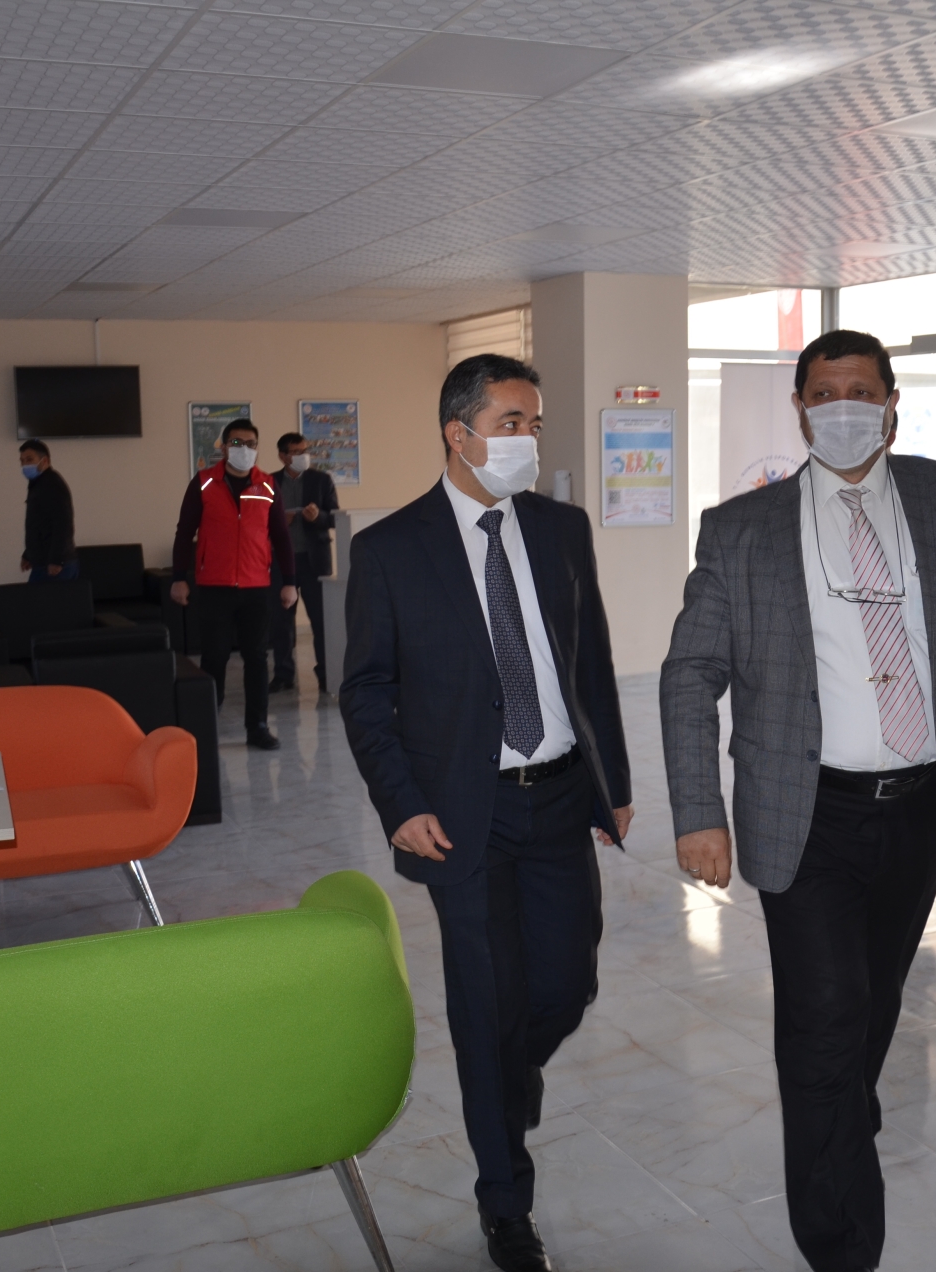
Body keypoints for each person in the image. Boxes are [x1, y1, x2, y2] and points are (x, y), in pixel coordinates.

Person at [660, 329, 936, 1272]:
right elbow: (691, 673)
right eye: (824, 393)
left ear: (893, 405)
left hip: (919, 807)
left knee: (873, 1002)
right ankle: (843, 1246)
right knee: (824, 1020)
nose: (843, 408)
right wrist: (698, 810)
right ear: (800, 409)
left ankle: (839, 1116)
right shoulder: (741, 528)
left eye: (861, 390)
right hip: (803, 810)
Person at [339, 354, 632, 1272]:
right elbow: (366, 692)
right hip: (463, 813)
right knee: (484, 1002)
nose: (527, 441)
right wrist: (400, 804)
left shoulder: (561, 528)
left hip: (560, 797)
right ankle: (505, 1202)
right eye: (511, 423)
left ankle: (507, 1081)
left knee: (565, 987)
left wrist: (614, 783)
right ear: (457, 434)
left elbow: (590, 663)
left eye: (533, 425)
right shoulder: (390, 549)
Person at [170, 418, 296, 750]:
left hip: (256, 587)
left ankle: (257, 727)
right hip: (215, 586)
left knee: (257, 658)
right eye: (238, 443)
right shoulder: (203, 483)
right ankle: (206, 724)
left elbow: (281, 537)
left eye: (251, 444)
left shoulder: (267, 485)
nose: (245, 449)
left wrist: (290, 582)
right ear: (225, 447)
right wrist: (179, 578)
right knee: (214, 658)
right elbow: (185, 532)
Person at [269, 430, 339, 694]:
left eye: (305, 451)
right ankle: (283, 674)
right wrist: (279, 521)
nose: (303, 456)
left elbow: (335, 517)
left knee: (321, 621)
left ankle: (326, 674)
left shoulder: (322, 480)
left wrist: (318, 517)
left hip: (314, 562)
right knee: (281, 623)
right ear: (283, 456)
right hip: (280, 562)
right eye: (297, 452)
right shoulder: (269, 482)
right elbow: (257, 521)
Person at [18, 439, 75, 582]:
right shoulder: (38, 484)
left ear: (44, 461)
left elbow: (63, 524)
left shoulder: (52, 485)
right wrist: (28, 554)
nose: (25, 465)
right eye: (22, 461)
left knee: (43, 598)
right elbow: (38, 524)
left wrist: (56, 560)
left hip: (55, 565)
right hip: (43, 562)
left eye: (29, 459)